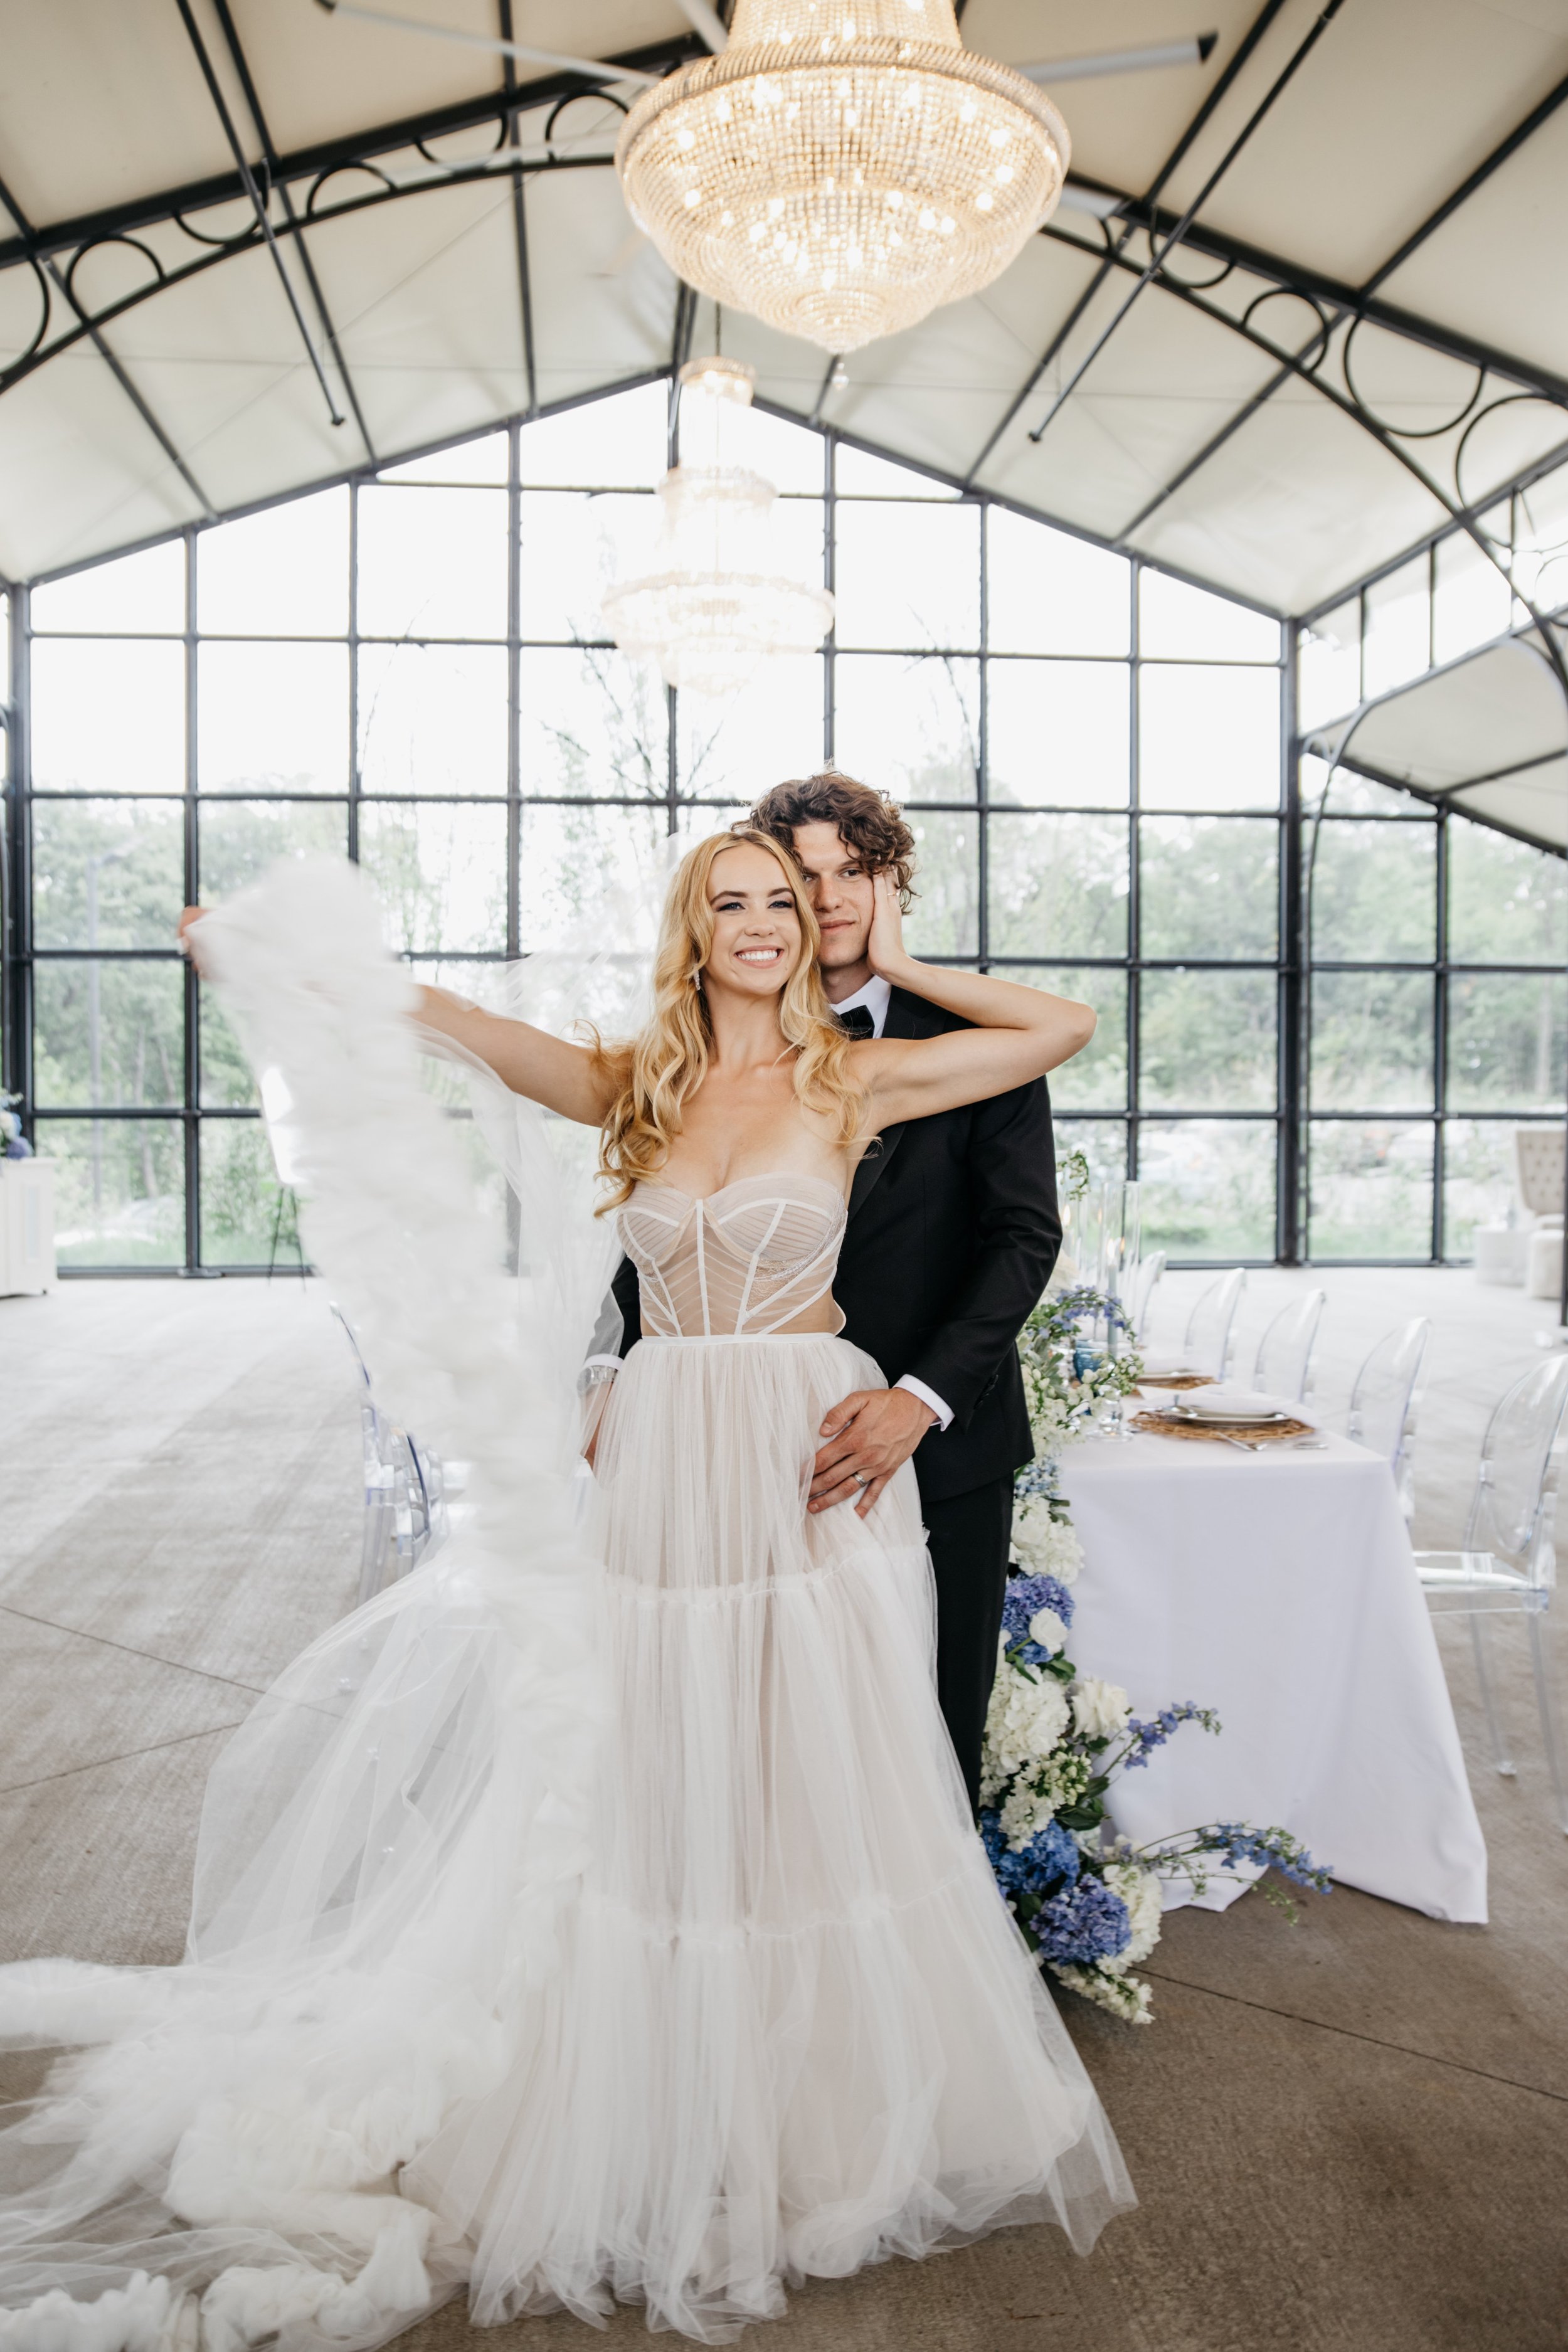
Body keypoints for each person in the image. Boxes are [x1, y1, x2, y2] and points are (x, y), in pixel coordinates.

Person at [0, 834, 1130, 2350]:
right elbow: (449, 1021)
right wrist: (279, 959)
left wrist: (881, 965)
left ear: (812, 930)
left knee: (812, 1767)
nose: (758, 925)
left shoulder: (853, 1080)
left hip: (804, 1456)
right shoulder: (633, 1085)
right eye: (728, 902)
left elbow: (1057, 1029)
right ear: (691, 931)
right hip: (665, 1451)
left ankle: (809, 2109)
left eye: (782, 906)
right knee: (655, 1765)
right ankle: (645, 2095)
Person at [605, 773, 1059, 1813]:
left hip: (938, 1438)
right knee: (735, 1738)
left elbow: (1024, 1236)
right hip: (748, 1451)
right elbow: (668, 1239)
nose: (829, 897)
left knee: (924, 1746)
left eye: (854, 870)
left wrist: (919, 1397)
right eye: (799, 877)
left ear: (890, 881)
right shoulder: (707, 1046)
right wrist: (610, 1370)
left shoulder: (965, 1038)